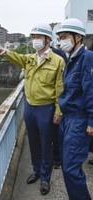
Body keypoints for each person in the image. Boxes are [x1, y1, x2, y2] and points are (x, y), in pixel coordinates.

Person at [0, 23, 65, 195]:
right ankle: (36, 170)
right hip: (30, 106)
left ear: (48, 39)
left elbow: (60, 89)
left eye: (38, 37)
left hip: (46, 108)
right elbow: (18, 58)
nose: (35, 41)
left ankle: (46, 178)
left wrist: (58, 111)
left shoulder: (58, 61)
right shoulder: (31, 58)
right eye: (33, 37)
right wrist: (6, 53)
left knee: (46, 143)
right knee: (33, 141)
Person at [56, 18, 93, 200]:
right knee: (67, 165)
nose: (62, 41)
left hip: (79, 119)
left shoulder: (87, 58)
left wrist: (91, 121)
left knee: (71, 167)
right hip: (67, 118)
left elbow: (91, 91)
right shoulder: (71, 59)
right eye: (60, 37)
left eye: (65, 36)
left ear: (78, 37)